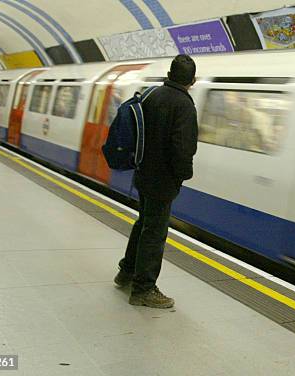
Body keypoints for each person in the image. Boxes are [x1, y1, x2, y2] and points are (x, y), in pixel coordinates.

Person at [114, 55, 198, 309]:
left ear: (170, 74)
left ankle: (126, 272)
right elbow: (182, 148)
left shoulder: (152, 95)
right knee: (155, 231)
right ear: (192, 81)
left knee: (144, 224)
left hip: (142, 173)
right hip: (163, 180)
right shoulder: (184, 105)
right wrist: (184, 174)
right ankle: (143, 289)